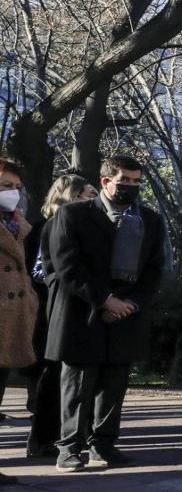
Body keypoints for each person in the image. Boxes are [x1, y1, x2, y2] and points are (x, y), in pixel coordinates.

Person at [46, 154, 166, 472]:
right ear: (106, 181)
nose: (132, 186)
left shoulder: (150, 220)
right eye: (124, 180)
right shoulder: (74, 215)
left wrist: (130, 305)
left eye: (137, 181)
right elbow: (66, 265)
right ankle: (69, 447)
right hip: (82, 313)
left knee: (114, 385)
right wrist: (104, 301)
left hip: (126, 315)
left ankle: (104, 445)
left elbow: (153, 270)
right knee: (77, 385)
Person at [23, 173, 98, 457]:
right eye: (87, 195)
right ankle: (42, 438)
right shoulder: (47, 227)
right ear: (70, 195)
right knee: (51, 375)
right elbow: (40, 271)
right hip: (49, 310)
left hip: (75, 308)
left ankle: (76, 434)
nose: (93, 200)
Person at [0, 158, 37, 486]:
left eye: (15, 187)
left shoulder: (15, 224)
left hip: (10, 318)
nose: (12, 193)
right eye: (4, 186)